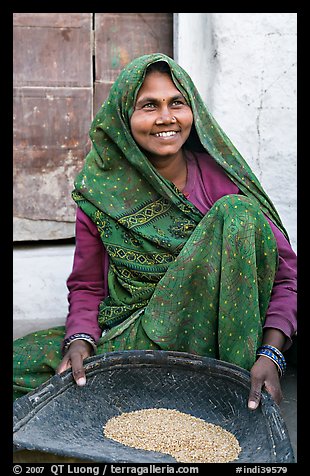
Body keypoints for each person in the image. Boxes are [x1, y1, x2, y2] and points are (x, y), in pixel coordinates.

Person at [13, 53, 297, 411]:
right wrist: (80, 340)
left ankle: (225, 389)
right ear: (123, 118)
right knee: (24, 364)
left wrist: (271, 355)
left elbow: (287, 277)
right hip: (138, 335)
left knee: (238, 213)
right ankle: (148, 381)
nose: (166, 117)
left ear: (193, 111)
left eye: (176, 103)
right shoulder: (102, 192)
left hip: (218, 345)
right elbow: (87, 285)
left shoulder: (221, 181)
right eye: (149, 105)